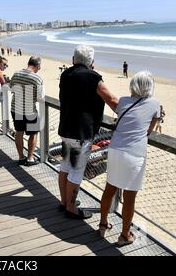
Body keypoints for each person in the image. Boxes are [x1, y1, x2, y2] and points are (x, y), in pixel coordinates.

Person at [99, 71, 161, 246]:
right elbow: (149, 130)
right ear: (150, 87)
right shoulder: (155, 104)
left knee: (110, 188)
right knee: (130, 196)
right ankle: (125, 235)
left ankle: (103, 223)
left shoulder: (124, 101)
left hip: (115, 148)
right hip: (134, 153)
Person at [58, 45, 118, 220]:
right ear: (92, 62)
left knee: (65, 166)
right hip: (81, 132)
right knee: (76, 170)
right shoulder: (92, 77)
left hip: (66, 128)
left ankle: (64, 202)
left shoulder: (65, 74)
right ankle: (71, 208)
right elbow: (111, 99)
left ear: (73, 59)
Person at [10, 56, 44, 167]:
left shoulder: (16, 74)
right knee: (33, 134)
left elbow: (11, 89)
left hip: (16, 108)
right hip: (29, 110)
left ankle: (21, 157)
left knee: (19, 132)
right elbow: (40, 97)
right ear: (38, 65)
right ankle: (30, 158)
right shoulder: (37, 78)